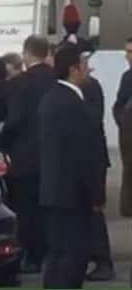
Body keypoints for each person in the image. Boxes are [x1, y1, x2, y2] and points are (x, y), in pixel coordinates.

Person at [39, 45, 106, 289]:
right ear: (73, 69)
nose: (88, 69)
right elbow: (83, 154)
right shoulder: (71, 103)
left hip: (55, 191)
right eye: (84, 65)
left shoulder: (52, 98)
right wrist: (96, 194)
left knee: (58, 255)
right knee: (72, 258)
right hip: (73, 193)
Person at [0, 35, 55, 275]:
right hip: (54, 154)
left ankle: (32, 257)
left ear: (26, 54)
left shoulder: (19, 84)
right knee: (50, 207)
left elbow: (15, 121)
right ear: (46, 53)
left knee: (27, 209)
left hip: (25, 156)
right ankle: (51, 252)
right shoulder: (57, 80)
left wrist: (0, 143)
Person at [80, 58, 115, 282]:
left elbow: (92, 121)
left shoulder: (89, 87)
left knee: (93, 209)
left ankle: (103, 261)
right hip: (90, 158)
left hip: (92, 160)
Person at [115, 37, 132, 219]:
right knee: (128, 168)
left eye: (130, 52)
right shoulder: (127, 77)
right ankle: (127, 207)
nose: (127, 56)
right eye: (127, 52)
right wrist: (122, 120)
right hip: (129, 131)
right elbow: (119, 103)